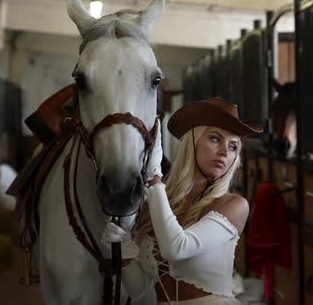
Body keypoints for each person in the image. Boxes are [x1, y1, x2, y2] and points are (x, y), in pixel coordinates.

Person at [102, 98, 262, 304]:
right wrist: (120, 247)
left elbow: (176, 248)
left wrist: (155, 181)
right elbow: (139, 287)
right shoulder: (160, 204)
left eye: (233, 147)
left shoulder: (234, 205)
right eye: (215, 139)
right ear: (192, 142)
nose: (224, 151)